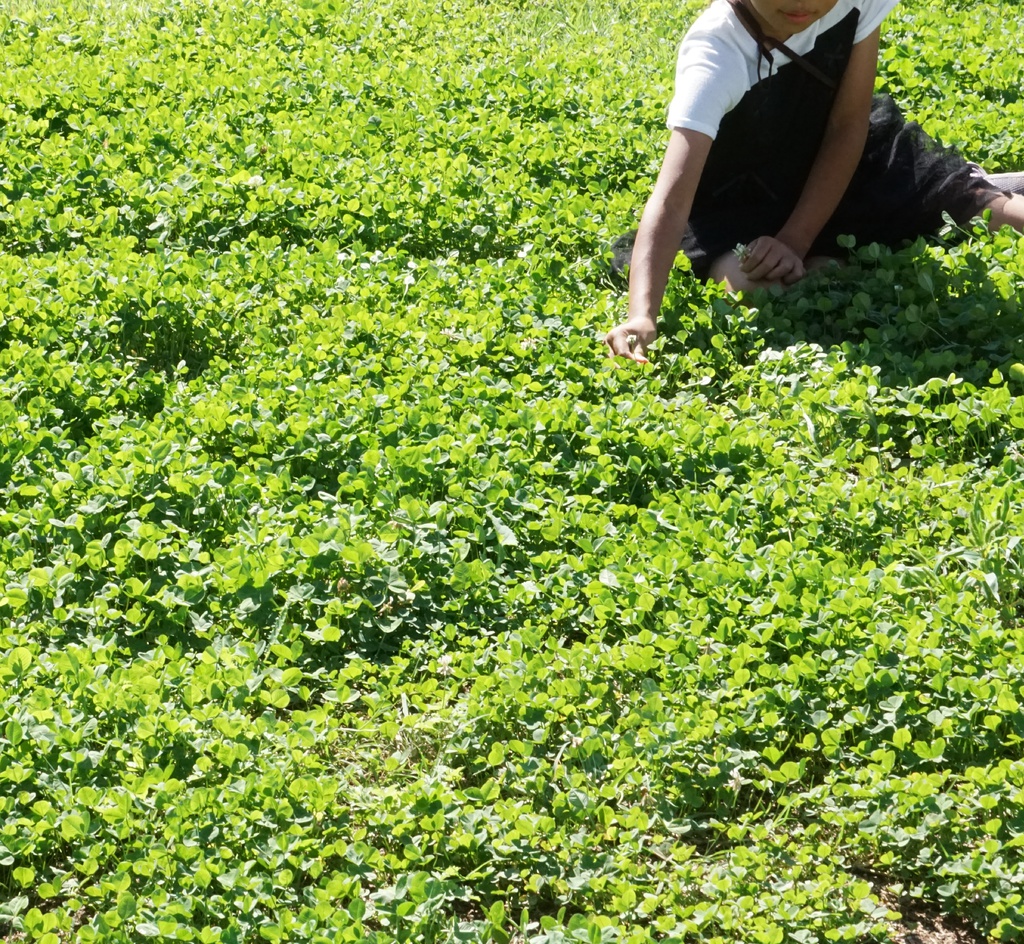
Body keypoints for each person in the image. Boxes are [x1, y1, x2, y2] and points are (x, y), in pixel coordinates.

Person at [605, 0, 1024, 362]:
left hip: (847, 166)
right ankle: (833, 257)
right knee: (756, 289)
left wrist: (795, 240)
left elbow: (847, 125)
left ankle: (986, 187)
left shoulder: (853, 5)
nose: (802, 2)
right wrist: (642, 313)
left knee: (999, 214)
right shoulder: (715, 51)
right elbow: (672, 200)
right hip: (741, 198)